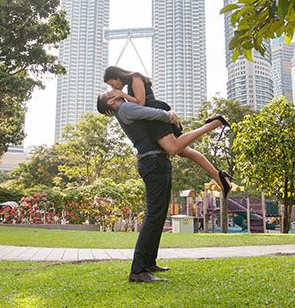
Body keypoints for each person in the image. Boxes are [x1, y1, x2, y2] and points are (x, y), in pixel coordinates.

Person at [96, 91, 229, 283]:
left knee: (158, 216)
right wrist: (169, 115)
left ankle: (149, 262)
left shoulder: (123, 108)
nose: (113, 91)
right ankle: (138, 270)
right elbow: (151, 113)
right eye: (109, 93)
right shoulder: (124, 108)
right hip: (152, 163)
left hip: (157, 161)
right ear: (110, 101)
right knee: (153, 215)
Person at [103, 66, 232, 194]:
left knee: (172, 148)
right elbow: (130, 108)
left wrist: (122, 94)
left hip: (154, 113)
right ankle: (218, 176)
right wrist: (115, 111)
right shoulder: (128, 85)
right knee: (184, 151)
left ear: (117, 76)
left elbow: (140, 102)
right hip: (150, 117)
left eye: (113, 84)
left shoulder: (135, 77)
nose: (114, 88)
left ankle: (213, 124)